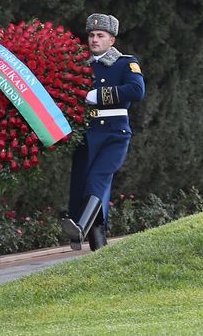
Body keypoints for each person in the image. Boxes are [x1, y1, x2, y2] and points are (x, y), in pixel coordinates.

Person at [62, 13, 145, 251]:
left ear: (112, 40)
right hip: (87, 134)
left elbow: (136, 90)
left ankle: (81, 227)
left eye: (100, 35)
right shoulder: (80, 66)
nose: (94, 39)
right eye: (91, 35)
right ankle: (97, 243)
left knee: (97, 179)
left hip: (114, 134)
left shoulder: (125, 63)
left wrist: (99, 96)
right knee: (81, 185)